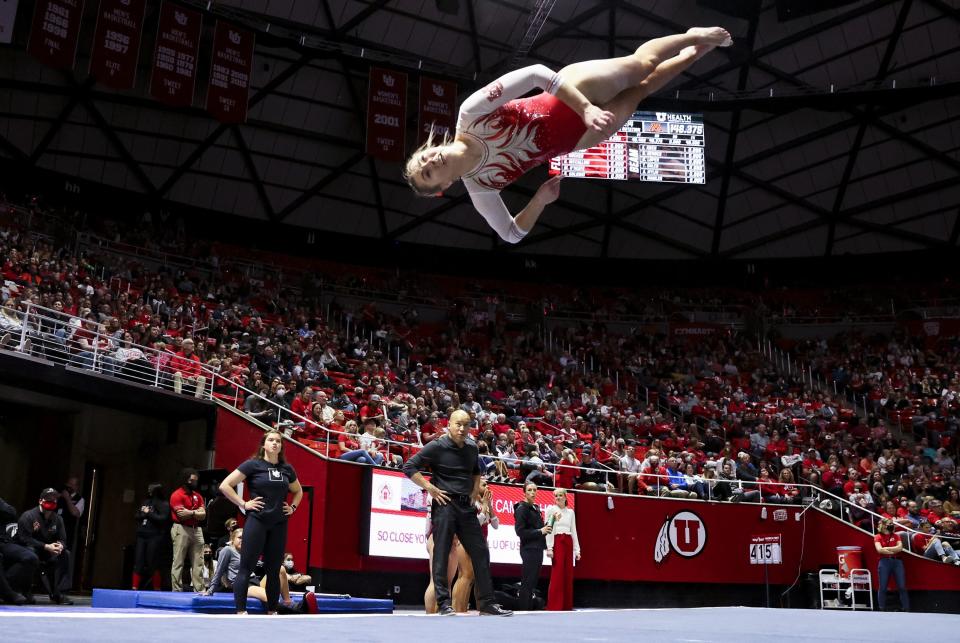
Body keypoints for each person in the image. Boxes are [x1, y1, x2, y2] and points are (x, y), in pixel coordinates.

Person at [403, 28, 731, 241]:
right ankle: (693, 54)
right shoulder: (481, 190)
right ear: (443, 187)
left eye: (424, 157)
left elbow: (535, 73)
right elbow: (511, 234)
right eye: (429, 171)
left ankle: (690, 36)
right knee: (639, 93)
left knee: (640, 67)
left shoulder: (471, 115)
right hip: (577, 138)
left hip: (572, 90)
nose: (431, 159)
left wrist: (585, 107)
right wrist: (539, 201)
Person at [402, 409, 512, 616]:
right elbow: (409, 466)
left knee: (480, 552)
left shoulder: (471, 447)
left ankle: (487, 603)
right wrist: (430, 488)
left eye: (466, 424)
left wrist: (473, 492)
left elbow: (477, 472)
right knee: (441, 555)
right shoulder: (436, 445)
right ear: (449, 425)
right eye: (458, 424)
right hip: (444, 505)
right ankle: (444, 604)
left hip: (466, 508)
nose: (462, 429)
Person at [219, 429, 303, 615]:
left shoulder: (286, 469)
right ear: (264, 444)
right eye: (271, 440)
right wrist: (243, 503)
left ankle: (272, 611)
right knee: (246, 567)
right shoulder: (253, 465)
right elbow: (225, 485)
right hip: (257, 521)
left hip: (279, 524)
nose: (275, 443)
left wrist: (293, 508)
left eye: (278, 441)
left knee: (273, 569)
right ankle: (241, 611)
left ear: (281, 446)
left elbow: (298, 491)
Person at [16, 488, 73, 604]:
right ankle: (25, 592)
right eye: (49, 499)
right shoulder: (28, 516)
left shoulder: (58, 519)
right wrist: (46, 546)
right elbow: (24, 539)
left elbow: (62, 539)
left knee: (65, 554)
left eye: (54, 499)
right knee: (30, 553)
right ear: (40, 501)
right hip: (31, 549)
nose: (52, 501)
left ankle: (58, 593)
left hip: (48, 551)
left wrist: (60, 546)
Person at [452, 477, 498, 613]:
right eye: (484, 484)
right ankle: (458, 609)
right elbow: (474, 525)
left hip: (481, 542)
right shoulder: (469, 500)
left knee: (477, 579)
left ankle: (481, 608)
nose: (488, 486)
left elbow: (495, 525)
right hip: (466, 541)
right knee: (465, 576)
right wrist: (484, 508)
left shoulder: (484, 502)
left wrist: (489, 506)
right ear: (476, 486)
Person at [514, 481, 551, 611]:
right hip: (528, 549)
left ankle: (527, 609)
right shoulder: (521, 508)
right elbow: (520, 532)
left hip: (537, 548)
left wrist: (550, 522)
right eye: (529, 490)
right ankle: (524, 610)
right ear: (524, 492)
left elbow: (540, 528)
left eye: (535, 490)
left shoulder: (535, 508)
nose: (532, 492)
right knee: (527, 582)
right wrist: (541, 531)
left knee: (532, 582)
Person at [169, 468, 207, 592]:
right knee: (178, 561)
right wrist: (196, 512)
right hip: (181, 528)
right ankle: (176, 590)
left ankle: (200, 589)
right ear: (185, 480)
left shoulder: (198, 496)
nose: (194, 482)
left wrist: (190, 512)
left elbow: (203, 515)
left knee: (198, 562)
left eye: (196, 480)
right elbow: (181, 515)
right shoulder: (176, 495)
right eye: (192, 480)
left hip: (197, 530)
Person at [544, 487, 580, 611]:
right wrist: (550, 548)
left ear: (565, 497)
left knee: (568, 573)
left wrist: (577, 550)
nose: (558, 498)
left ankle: (566, 605)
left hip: (568, 542)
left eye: (560, 495)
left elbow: (574, 531)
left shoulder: (571, 512)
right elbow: (549, 529)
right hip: (557, 541)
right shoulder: (551, 509)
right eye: (556, 496)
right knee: (557, 573)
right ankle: (554, 605)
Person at [132, 482, 170, 590]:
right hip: (142, 534)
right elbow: (137, 515)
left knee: (152, 562)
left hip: (154, 536)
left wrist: (149, 513)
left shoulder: (163, 504)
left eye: (151, 489)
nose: (149, 491)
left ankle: (156, 588)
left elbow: (163, 518)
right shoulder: (146, 502)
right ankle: (134, 587)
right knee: (138, 561)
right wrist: (143, 514)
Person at [0, 496, 36, 605]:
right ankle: (8, 592)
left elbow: (11, 512)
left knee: (30, 557)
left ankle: (6, 587)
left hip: (2, 542)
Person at [874, 519, 910, 612]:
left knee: (902, 586)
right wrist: (893, 550)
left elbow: (900, 548)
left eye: (892, 524)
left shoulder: (896, 535)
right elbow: (879, 550)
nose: (892, 525)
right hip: (884, 562)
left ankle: (906, 608)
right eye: (890, 524)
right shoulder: (877, 536)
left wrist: (886, 548)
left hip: (897, 562)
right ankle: (882, 607)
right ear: (883, 525)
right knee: (883, 586)